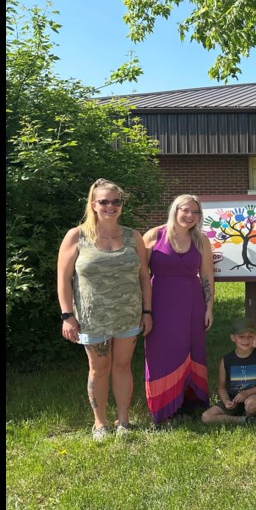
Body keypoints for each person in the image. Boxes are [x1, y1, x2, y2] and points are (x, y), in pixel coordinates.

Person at [56, 178, 153, 441]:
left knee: (122, 367)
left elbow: (144, 276)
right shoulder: (77, 236)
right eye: (104, 201)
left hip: (128, 314)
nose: (111, 206)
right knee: (99, 368)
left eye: (116, 201)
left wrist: (147, 312)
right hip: (91, 317)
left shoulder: (133, 237)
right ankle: (100, 423)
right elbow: (63, 279)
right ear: (94, 204)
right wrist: (67, 316)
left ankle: (123, 421)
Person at [143, 194, 215, 425]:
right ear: (175, 210)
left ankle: (191, 401)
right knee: (162, 352)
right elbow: (141, 275)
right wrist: (144, 309)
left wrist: (209, 307)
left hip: (192, 302)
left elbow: (207, 276)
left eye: (196, 212)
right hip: (160, 301)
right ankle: (165, 406)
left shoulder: (201, 240)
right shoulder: (155, 235)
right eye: (186, 210)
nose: (190, 216)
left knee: (192, 349)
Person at [201, 318, 256, 424]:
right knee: (206, 417)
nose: (246, 340)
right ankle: (245, 420)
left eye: (250, 336)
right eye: (241, 337)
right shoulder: (226, 360)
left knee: (252, 405)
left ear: (254, 337)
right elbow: (222, 387)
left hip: (253, 395)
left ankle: (251, 414)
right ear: (233, 338)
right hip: (233, 399)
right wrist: (226, 401)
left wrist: (246, 393)